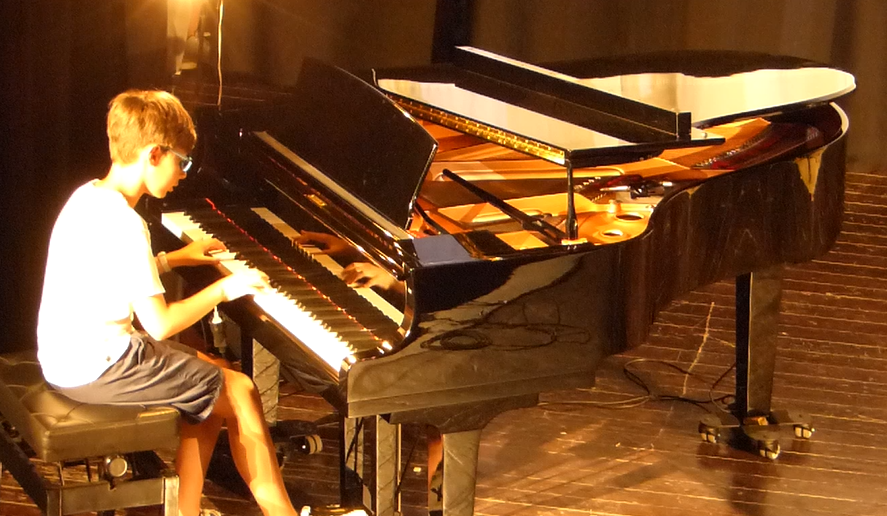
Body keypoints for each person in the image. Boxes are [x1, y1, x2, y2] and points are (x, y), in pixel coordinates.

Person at [36, 89, 300, 516]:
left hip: (65, 358)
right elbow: (159, 324)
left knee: (212, 381)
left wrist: (174, 259)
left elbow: (109, 274)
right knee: (241, 390)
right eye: (183, 161)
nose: (183, 174)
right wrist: (225, 288)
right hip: (98, 366)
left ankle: (184, 510)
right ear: (154, 154)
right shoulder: (125, 223)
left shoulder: (87, 196)